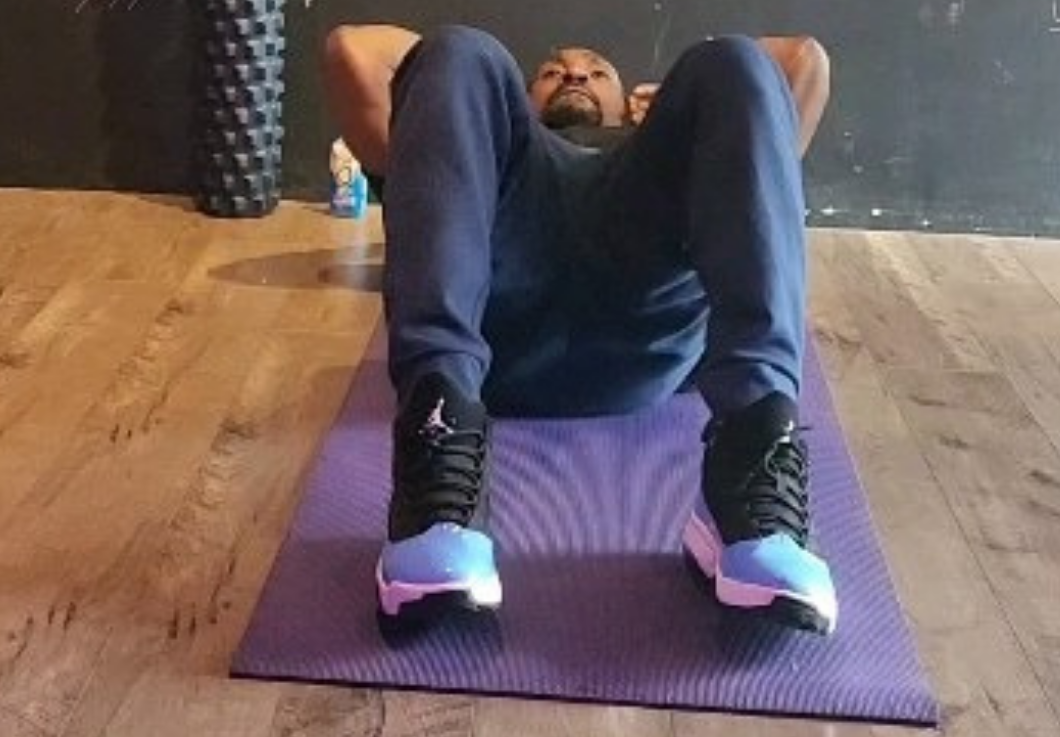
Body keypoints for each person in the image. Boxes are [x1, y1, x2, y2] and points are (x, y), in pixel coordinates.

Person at [323, 24, 839, 634]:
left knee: (730, 61)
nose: (573, 75)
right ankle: (438, 480)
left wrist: (673, 100)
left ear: (629, 102)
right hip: (491, 344)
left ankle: (753, 473)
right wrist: (482, 91)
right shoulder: (487, 140)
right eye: (553, 71)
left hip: (645, 315)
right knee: (460, 51)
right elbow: (351, 51)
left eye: (596, 73)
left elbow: (800, 60)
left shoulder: (661, 147)